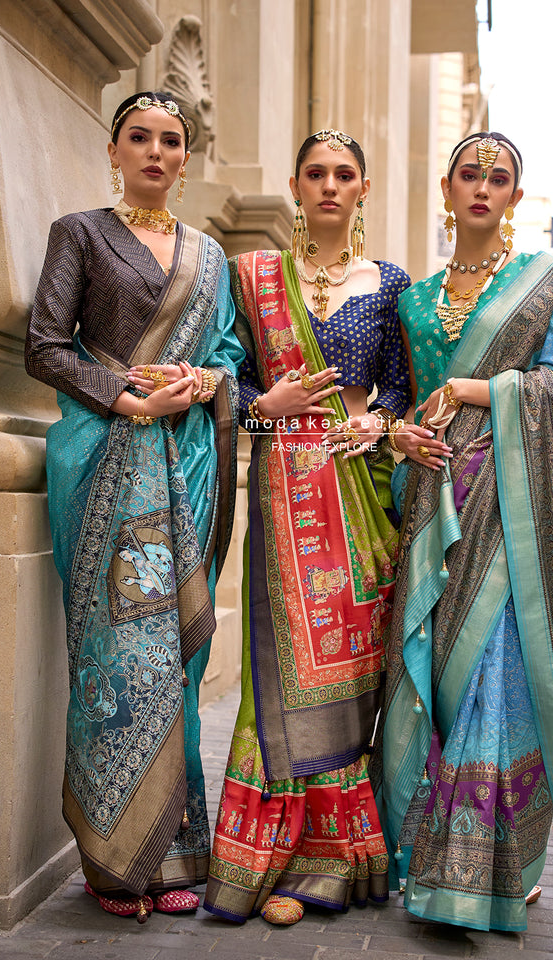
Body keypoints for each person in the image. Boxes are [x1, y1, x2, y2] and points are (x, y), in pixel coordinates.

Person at [372, 132, 553, 932]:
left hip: (514, 507)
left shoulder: (548, 281)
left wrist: (477, 387)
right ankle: (423, 847)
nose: (482, 186)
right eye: (470, 174)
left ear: (515, 195)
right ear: (446, 186)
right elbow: (406, 403)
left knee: (493, 669)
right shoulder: (411, 300)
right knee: (433, 667)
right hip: (431, 500)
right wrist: (401, 434)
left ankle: (485, 866)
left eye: (499, 177)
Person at [25, 91, 243, 922]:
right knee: (115, 663)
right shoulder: (79, 233)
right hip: (105, 460)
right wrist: (125, 397)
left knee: (174, 667)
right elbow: (44, 345)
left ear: (188, 158)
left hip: (183, 462)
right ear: (114, 149)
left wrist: (200, 381)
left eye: (172, 140)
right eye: (140, 137)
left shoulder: (211, 256)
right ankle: (113, 864)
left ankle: (175, 851)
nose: (156, 151)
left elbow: (225, 352)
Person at [202, 129, 420, 926]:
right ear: (296, 186)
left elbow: (401, 386)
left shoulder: (391, 282)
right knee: (279, 665)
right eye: (317, 173)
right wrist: (266, 409)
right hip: (283, 485)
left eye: (345, 174)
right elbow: (230, 378)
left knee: (349, 666)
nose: (330, 185)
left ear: (363, 188)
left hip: (362, 494)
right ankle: (268, 855)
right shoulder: (254, 277)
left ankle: (332, 856)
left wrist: (378, 426)